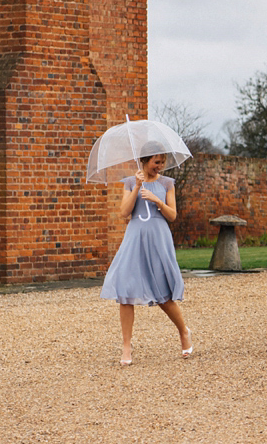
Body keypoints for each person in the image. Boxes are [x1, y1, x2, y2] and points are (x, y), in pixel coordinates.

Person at [100, 144, 193, 366]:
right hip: (135, 237)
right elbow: (124, 212)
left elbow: (172, 216)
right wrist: (137, 187)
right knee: (125, 289)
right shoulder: (131, 182)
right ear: (145, 160)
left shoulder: (167, 183)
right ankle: (126, 347)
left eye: (162, 162)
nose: (160, 166)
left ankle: (183, 331)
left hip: (158, 237)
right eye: (156, 162)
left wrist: (157, 200)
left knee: (163, 292)